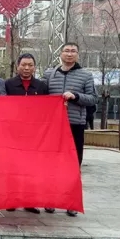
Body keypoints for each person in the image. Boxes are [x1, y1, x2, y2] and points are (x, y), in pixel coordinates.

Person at [43, 42, 98, 217]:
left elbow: (93, 98)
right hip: (53, 127)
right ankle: (50, 200)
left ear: (78, 54)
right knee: (51, 164)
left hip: (75, 125)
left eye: (73, 51)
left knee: (73, 165)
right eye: (66, 50)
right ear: (61, 53)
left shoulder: (86, 76)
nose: (69, 54)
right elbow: (40, 95)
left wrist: (76, 96)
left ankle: (70, 203)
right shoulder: (49, 74)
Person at [4, 53, 48, 215]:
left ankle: (30, 201)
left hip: (34, 135)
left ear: (34, 67)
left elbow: (47, 109)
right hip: (13, 133)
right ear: (18, 66)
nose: (27, 68)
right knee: (13, 168)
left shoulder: (42, 86)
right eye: (23, 65)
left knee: (31, 169)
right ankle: (12, 200)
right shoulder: (8, 84)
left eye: (30, 65)